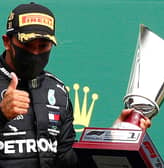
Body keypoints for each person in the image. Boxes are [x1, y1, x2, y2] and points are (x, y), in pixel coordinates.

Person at [0, 2, 151, 168]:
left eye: (43, 46)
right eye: (28, 45)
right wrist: (1, 115)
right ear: (7, 42)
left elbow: (69, 161)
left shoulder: (56, 90)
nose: (35, 53)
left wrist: (115, 136)